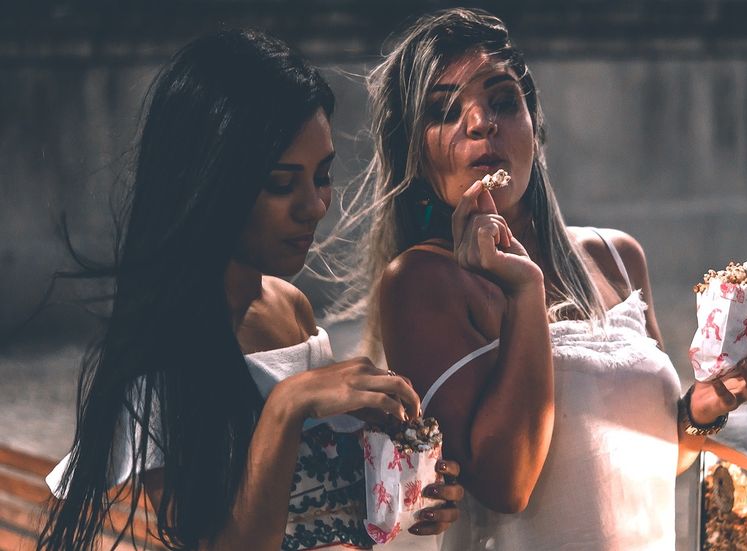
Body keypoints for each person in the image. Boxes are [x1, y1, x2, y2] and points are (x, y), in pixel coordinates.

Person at [343, 8, 747, 550]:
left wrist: (702, 410)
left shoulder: (617, 256)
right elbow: (507, 485)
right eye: (445, 111)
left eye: (503, 101)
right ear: (416, 152)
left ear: (535, 125)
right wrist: (523, 290)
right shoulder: (421, 282)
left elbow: (653, 455)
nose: (481, 123)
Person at [38, 29, 461, 551]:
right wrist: (288, 404)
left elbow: (329, 499)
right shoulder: (162, 353)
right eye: (281, 183)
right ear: (209, 180)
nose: (314, 206)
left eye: (322, 176)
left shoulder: (290, 307)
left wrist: (407, 474)